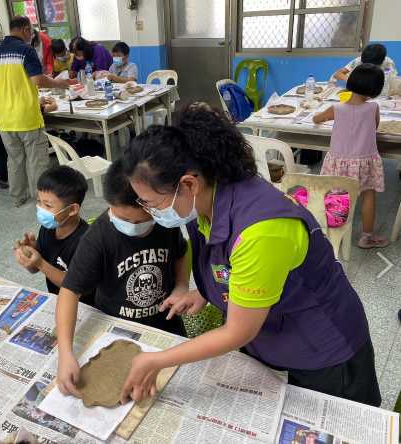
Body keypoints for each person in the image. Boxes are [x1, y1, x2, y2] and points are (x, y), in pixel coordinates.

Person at [113, 103, 380, 407]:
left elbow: (238, 331)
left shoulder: (261, 231)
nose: (152, 212)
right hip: (272, 338)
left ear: (188, 183)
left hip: (323, 350)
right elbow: (228, 263)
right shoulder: (207, 200)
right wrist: (205, 293)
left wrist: (156, 360)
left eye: (152, 203)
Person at [56, 159, 189, 395]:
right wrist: (65, 352)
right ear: (110, 205)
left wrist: (181, 286)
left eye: (141, 221)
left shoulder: (164, 222)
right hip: (117, 327)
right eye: (124, 220)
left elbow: (181, 253)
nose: (133, 226)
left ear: (153, 206)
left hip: (165, 325)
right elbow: (69, 291)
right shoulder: (98, 237)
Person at [0, 16, 74, 207]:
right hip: (26, 116)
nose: (31, 36)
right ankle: (42, 200)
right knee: (37, 161)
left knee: (14, 159)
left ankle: (18, 197)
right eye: (31, 32)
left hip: (4, 119)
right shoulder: (26, 51)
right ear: (26, 29)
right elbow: (38, 80)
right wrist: (60, 83)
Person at [313, 64, 387, 248]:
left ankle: (331, 230)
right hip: (365, 161)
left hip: (338, 163)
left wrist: (317, 116)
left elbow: (317, 119)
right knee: (368, 195)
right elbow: (374, 128)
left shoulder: (336, 108)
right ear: (375, 90)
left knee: (335, 194)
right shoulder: (373, 108)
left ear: (351, 82)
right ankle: (366, 237)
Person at [14, 165, 92, 305]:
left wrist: (40, 262)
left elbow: (75, 286)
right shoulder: (47, 229)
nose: (41, 209)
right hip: (57, 301)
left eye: (48, 205)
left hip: (82, 307)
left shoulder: (86, 242)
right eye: (39, 201)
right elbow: (34, 269)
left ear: (72, 209)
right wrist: (31, 253)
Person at [331, 43, 397, 82]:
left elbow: (389, 81)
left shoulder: (388, 63)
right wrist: (351, 81)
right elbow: (338, 74)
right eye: (365, 64)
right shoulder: (358, 61)